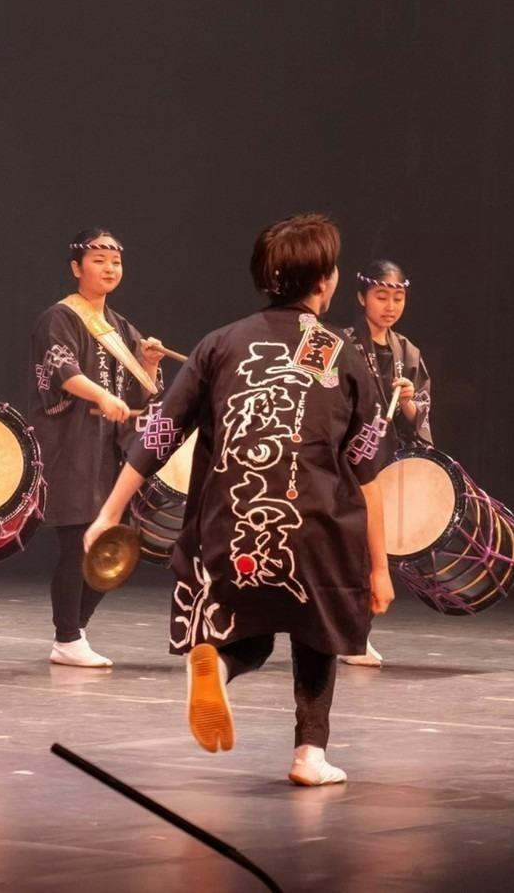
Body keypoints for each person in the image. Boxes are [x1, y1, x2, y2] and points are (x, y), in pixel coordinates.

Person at [85, 214, 392, 786]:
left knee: (245, 635)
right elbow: (367, 470)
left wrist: (108, 513)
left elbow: (160, 435)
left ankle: (218, 667)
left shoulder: (219, 343)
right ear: (323, 282)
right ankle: (310, 754)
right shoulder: (343, 355)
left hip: (232, 527)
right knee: (316, 633)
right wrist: (378, 565)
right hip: (315, 528)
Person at [29, 229, 166, 667]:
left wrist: (147, 364)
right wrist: (102, 396)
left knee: (114, 544)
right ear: (76, 268)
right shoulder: (60, 317)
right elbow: (62, 373)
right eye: (98, 260)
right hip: (70, 446)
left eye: (115, 262)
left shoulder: (120, 327)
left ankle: (76, 631)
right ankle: (67, 637)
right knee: (79, 542)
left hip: (111, 451)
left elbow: (142, 397)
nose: (109, 269)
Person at [339, 259, 433, 667]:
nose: (390, 305)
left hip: (382, 462)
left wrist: (410, 399)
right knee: (345, 548)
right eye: (381, 296)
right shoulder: (340, 343)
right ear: (362, 298)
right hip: (341, 461)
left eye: (398, 297)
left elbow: (419, 417)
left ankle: (355, 635)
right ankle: (344, 635)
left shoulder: (406, 351)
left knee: (370, 549)